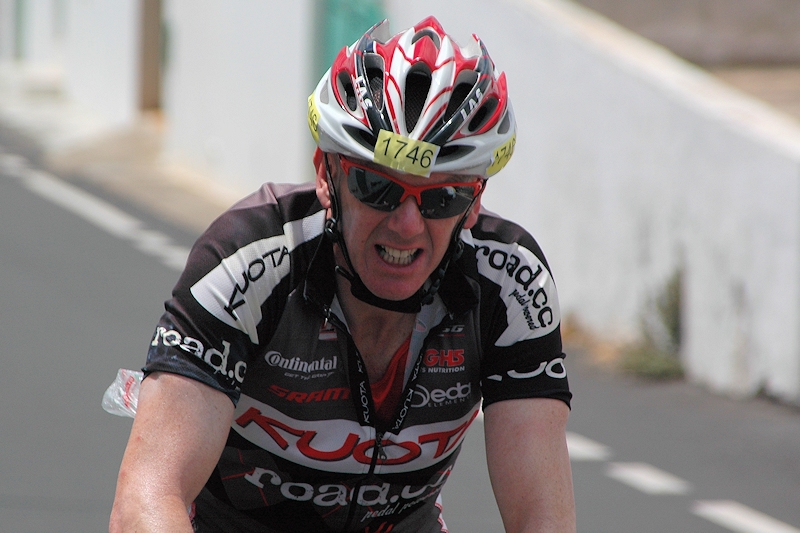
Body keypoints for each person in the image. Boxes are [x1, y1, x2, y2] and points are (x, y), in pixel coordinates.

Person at [110, 15, 575, 533]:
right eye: (377, 187)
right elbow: (147, 497)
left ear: (474, 204)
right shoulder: (251, 258)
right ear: (326, 176)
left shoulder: (510, 285)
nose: (406, 225)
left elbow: (542, 519)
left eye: (442, 197)